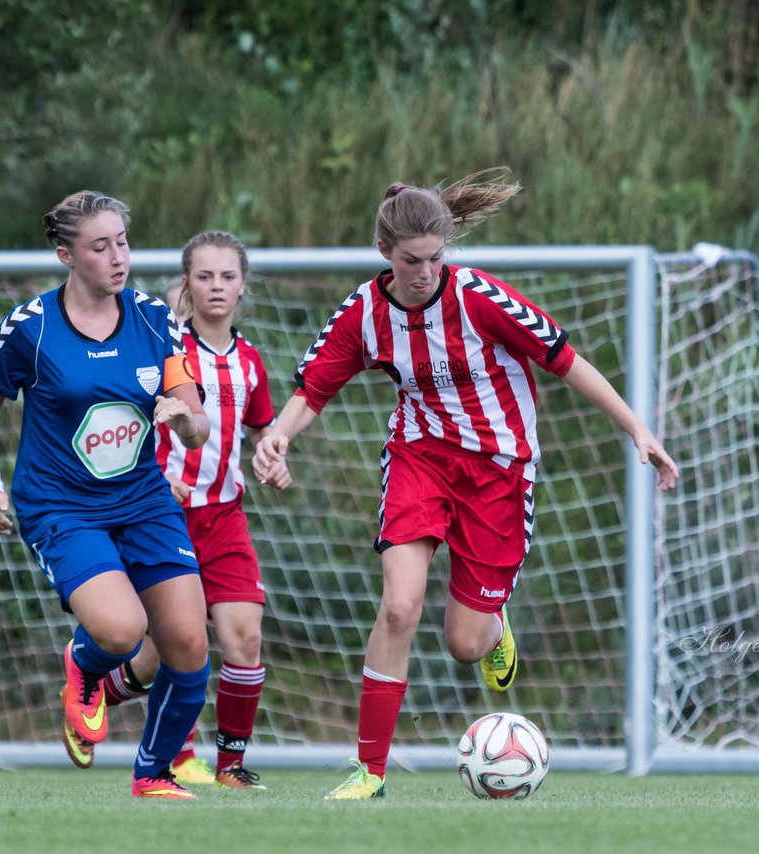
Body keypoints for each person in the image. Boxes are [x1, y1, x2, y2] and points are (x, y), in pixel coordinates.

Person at [252, 168, 680, 800]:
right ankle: (368, 771)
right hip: (418, 461)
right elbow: (314, 388)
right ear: (384, 255)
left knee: (463, 644)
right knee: (399, 607)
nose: (424, 272)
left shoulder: (480, 298)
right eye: (410, 261)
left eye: (434, 258)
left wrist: (637, 430)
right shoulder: (365, 315)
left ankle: (492, 626)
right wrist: (278, 436)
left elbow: (564, 359)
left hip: (498, 474)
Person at [0, 190, 213, 800]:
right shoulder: (32, 328)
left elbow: (198, 419)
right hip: (61, 508)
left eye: (122, 242)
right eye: (99, 246)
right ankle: (84, 664)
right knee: (123, 632)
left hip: (144, 501)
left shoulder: (155, 318)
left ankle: (152, 776)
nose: (117, 257)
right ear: (66, 256)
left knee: (187, 644)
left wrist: (182, 421)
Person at [61, 231, 292, 791]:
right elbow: (121, 415)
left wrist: (273, 456)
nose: (217, 287)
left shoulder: (252, 362)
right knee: (164, 651)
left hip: (226, 516)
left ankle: (230, 765)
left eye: (228, 277)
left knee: (244, 638)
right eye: (205, 276)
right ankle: (102, 692)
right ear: (186, 283)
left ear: (243, 286)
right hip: (163, 513)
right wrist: (157, 468)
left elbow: (262, 429)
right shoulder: (161, 347)